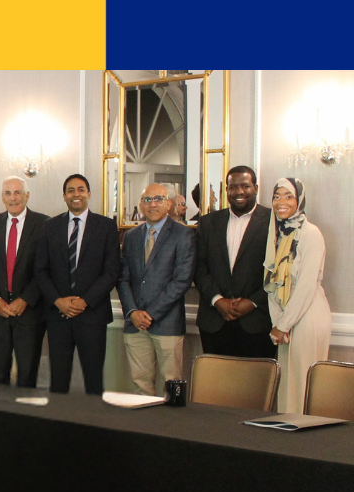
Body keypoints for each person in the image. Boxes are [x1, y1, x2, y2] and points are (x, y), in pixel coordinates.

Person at [35, 173, 120, 395]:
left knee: (94, 380)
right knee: (58, 381)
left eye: (81, 189)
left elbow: (111, 272)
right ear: (64, 196)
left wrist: (85, 301)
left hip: (92, 315)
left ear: (89, 194)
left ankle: (94, 418)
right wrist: (58, 301)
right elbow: (40, 270)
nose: (76, 194)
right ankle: (60, 418)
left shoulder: (106, 226)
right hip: (58, 316)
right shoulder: (50, 226)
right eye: (70, 190)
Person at [116, 184, 196, 395]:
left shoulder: (182, 235)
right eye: (147, 200)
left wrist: (150, 314)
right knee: (141, 387)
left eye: (158, 199)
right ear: (141, 205)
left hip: (167, 323)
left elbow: (182, 280)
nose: (153, 204)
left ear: (168, 204)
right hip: (135, 324)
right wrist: (133, 312)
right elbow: (122, 278)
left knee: (172, 386)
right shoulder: (131, 236)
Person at [264, 177, 332, 414]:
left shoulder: (311, 234)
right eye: (276, 196)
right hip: (286, 318)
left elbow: (306, 286)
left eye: (288, 196)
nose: (281, 202)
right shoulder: (278, 234)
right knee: (288, 388)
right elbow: (272, 281)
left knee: (304, 387)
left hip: (307, 315)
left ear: (300, 200)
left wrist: (283, 325)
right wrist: (278, 322)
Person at [0, 176, 49, 387]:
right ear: (2, 197)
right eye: (8, 193)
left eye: (17, 192)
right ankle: (1, 410)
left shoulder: (44, 224)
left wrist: (25, 299)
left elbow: (46, 268)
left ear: (27, 196)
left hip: (30, 313)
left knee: (27, 376)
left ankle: (23, 410)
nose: (13, 198)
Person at [194, 165, 273, 357]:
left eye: (245, 186)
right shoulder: (208, 222)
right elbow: (199, 268)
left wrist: (253, 302)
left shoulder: (273, 222)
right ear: (226, 190)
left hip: (257, 322)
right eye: (233, 187)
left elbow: (278, 272)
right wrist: (217, 300)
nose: (239, 192)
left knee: (256, 377)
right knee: (216, 376)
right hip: (214, 322)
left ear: (255, 188)